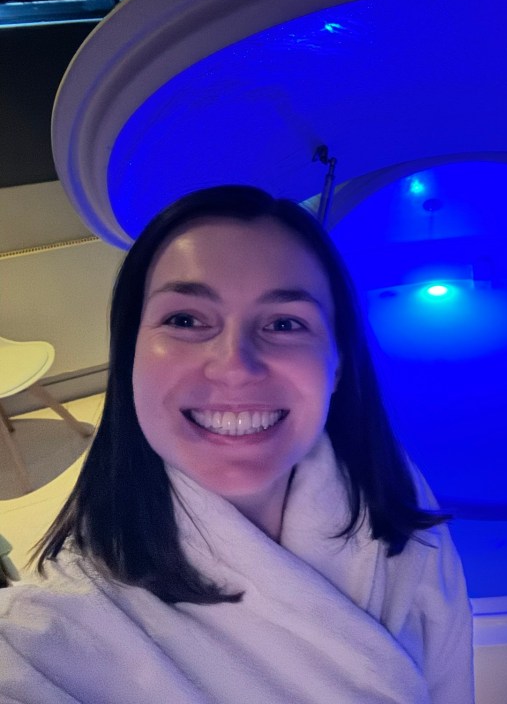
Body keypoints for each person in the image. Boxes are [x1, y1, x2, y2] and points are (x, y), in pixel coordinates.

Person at [0, 185, 475, 703]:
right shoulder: (48, 636)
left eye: (285, 323)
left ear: (337, 364)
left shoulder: (391, 488)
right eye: (185, 320)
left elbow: (452, 671)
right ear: (130, 352)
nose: (235, 367)